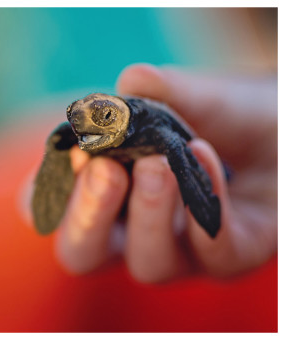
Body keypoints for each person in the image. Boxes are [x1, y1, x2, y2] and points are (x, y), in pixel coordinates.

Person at [25, 63, 277, 283]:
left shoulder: (154, 127)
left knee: (198, 166)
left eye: (105, 116)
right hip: (127, 190)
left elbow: (179, 147)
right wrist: (49, 194)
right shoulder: (79, 131)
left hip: (214, 171)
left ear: (122, 116)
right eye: (75, 118)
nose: (82, 125)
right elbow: (62, 137)